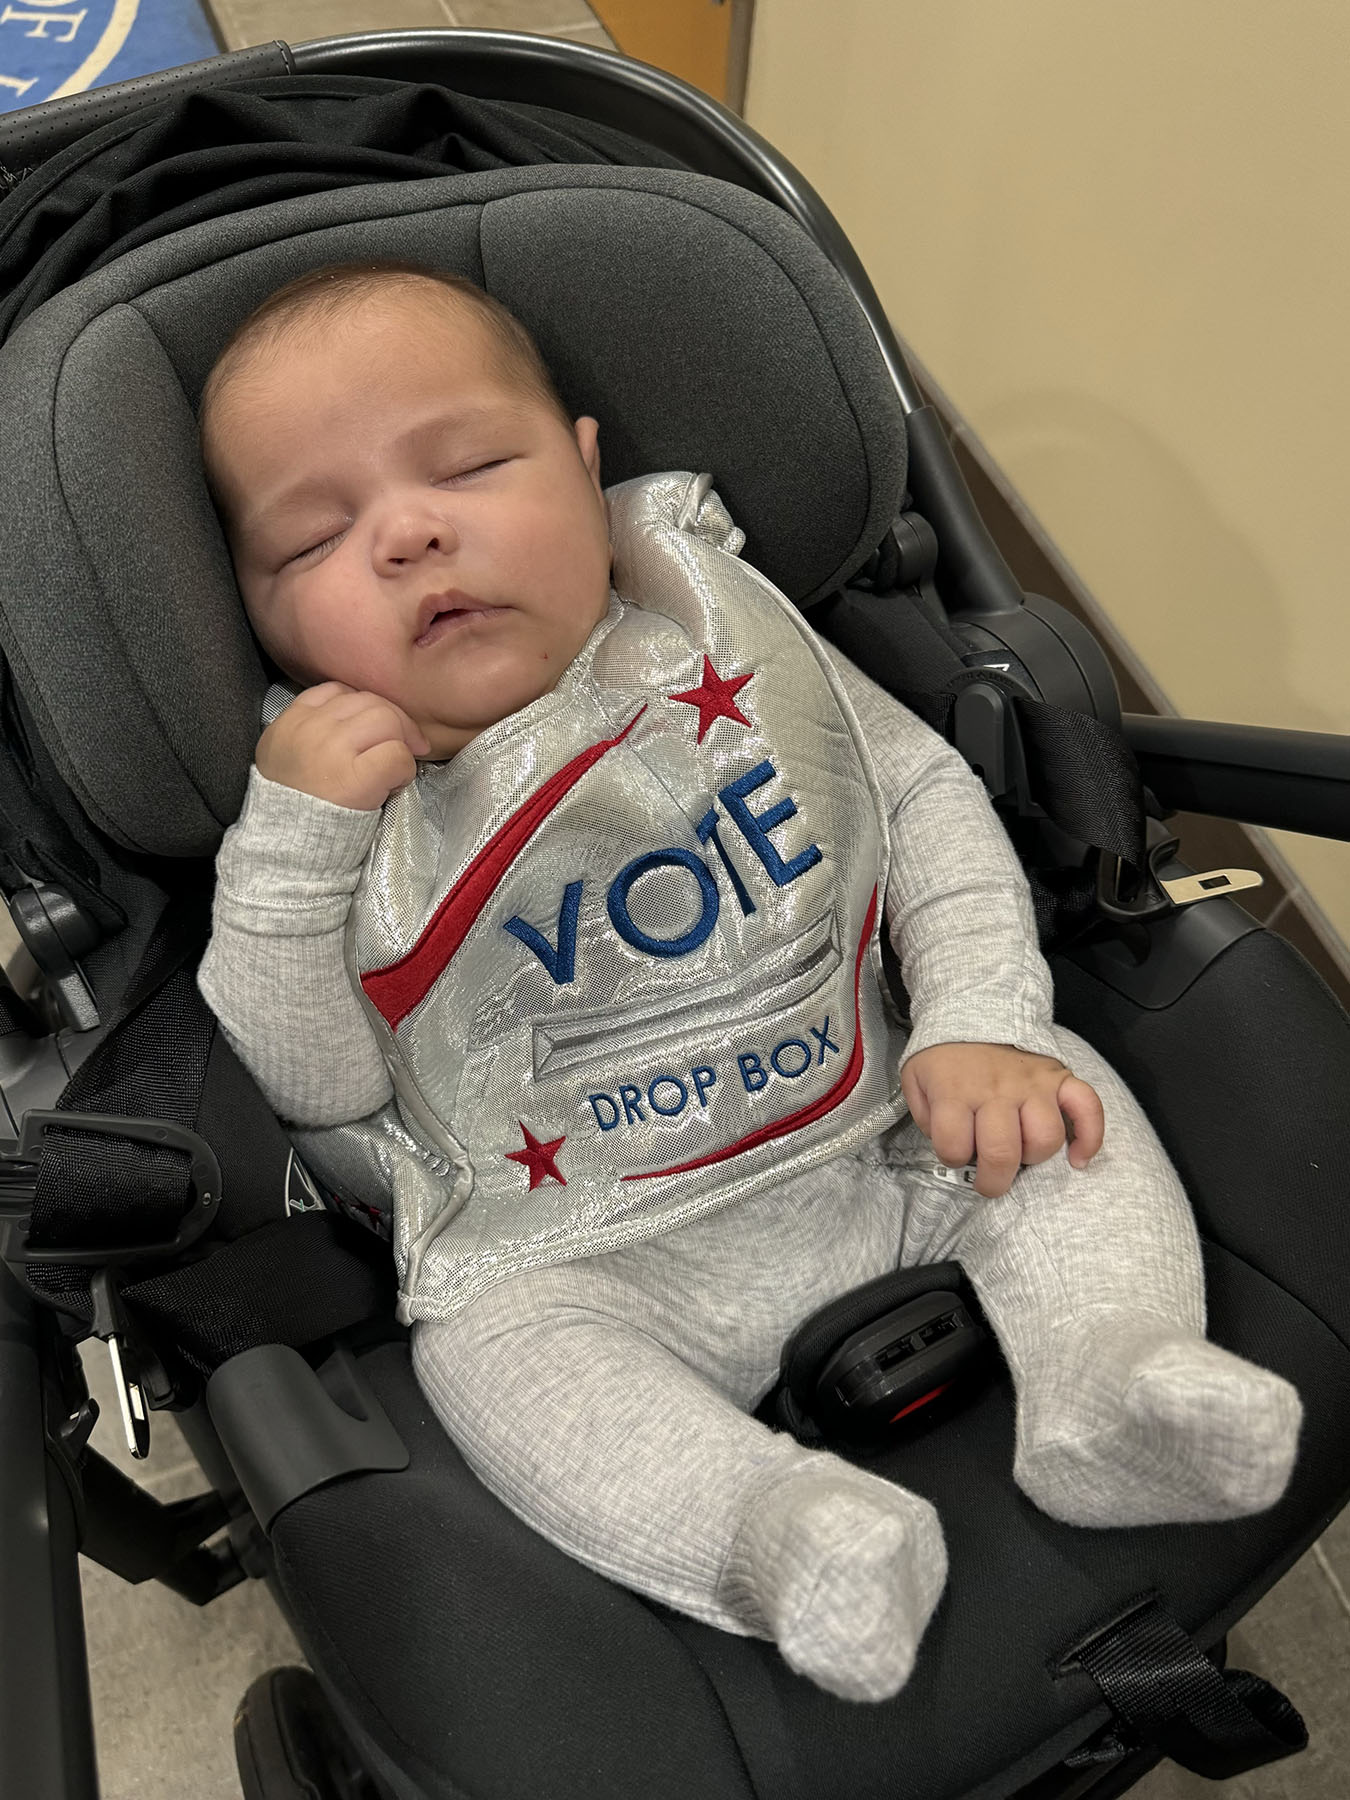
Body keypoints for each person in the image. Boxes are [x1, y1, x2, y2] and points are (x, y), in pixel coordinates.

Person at [197, 260, 1301, 1704]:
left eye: (467, 465)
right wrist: (292, 844)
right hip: (577, 1251)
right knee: (494, 1355)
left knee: (1058, 1099)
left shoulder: (718, 641)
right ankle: (782, 1538)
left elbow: (916, 807)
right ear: (262, 619)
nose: (407, 533)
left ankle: (1104, 1373)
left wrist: (975, 1023)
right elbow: (319, 1080)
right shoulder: (331, 810)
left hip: (890, 1121)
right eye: (315, 542)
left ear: (588, 472)